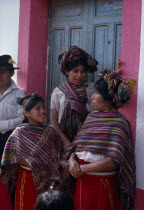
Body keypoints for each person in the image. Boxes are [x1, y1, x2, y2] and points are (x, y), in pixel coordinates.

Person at [68, 70, 136, 210]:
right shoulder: (91, 118)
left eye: (96, 93)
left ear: (108, 97)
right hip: (82, 181)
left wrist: (83, 168)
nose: (92, 97)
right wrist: (71, 161)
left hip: (102, 183)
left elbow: (113, 161)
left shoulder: (119, 123)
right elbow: (77, 146)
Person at [1, 93, 69, 210]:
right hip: (27, 179)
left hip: (49, 181)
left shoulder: (50, 131)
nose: (42, 111)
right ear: (26, 113)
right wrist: (35, 164)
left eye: (43, 107)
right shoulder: (19, 133)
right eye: (37, 108)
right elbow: (11, 158)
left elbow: (57, 154)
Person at [50, 46, 98, 152]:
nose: (80, 75)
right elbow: (53, 120)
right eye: (75, 71)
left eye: (83, 71)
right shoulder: (58, 92)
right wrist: (64, 140)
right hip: (64, 140)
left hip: (88, 141)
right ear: (67, 71)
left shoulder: (92, 89)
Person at [0, 54, 25, 162]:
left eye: (2, 72)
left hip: (11, 138)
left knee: (8, 169)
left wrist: (1, 125)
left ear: (11, 73)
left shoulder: (19, 93)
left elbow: (21, 118)